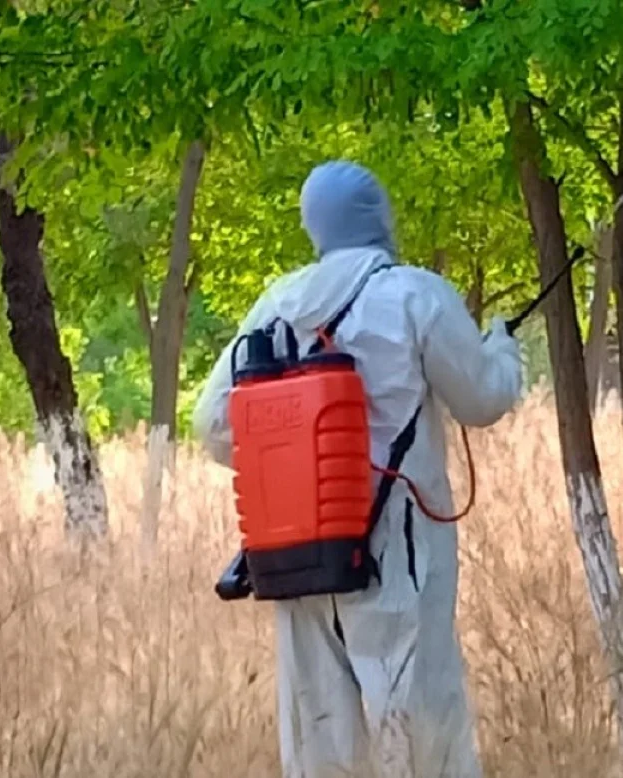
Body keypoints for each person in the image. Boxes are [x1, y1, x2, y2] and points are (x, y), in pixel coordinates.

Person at [192, 160, 524, 777]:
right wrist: (501, 348)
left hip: (297, 559)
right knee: (424, 742)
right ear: (380, 215)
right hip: (398, 562)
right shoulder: (414, 293)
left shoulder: (275, 305)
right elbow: (482, 399)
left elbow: (212, 425)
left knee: (323, 749)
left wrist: (294, 472)